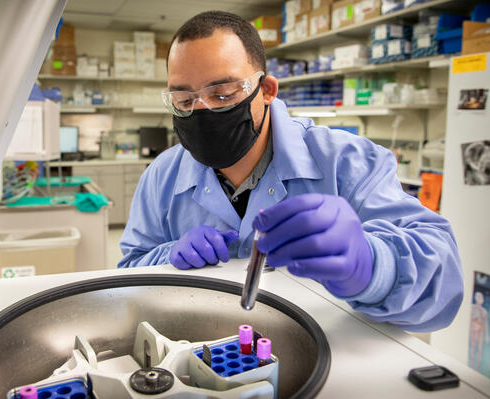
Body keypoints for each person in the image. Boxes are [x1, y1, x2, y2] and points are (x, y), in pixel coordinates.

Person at [118, 11, 463, 332]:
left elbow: (444, 280)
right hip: (198, 345)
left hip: (325, 351)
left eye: (222, 95)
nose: (203, 111)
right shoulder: (162, 174)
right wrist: (169, 255)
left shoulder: (348, 161)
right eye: (184, 101)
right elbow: (129, 269)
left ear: (266, 90)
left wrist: (373, 265)